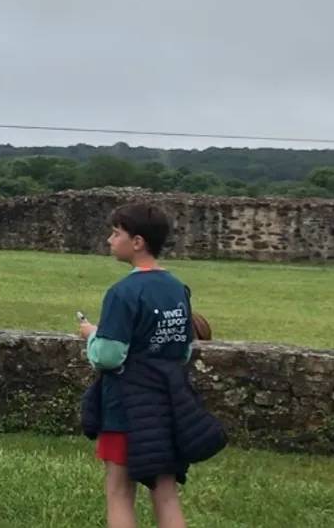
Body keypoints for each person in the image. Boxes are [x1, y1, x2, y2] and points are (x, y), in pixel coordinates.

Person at [78, 203, 226, 528]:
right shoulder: (177, 288)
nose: (109, 240)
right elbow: (183, 350)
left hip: (125, 405)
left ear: (137, 242)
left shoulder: (123, 293)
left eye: (116, 233)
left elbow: (108, 356)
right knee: (166, 493)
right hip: (166, 404)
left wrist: (92, 336)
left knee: (119, 491)